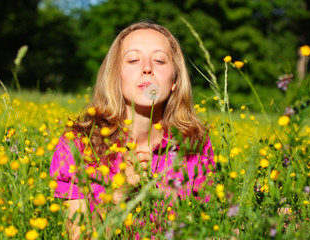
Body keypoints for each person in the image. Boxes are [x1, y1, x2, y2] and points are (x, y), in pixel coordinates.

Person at [49, 21, 215, 239]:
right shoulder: (79, 143)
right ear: (115, 76)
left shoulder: (194, 145)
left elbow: (209, 228)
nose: (147, 68)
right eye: (133, 59)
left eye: (159, 60)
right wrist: (118, 195)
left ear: (174, 80)